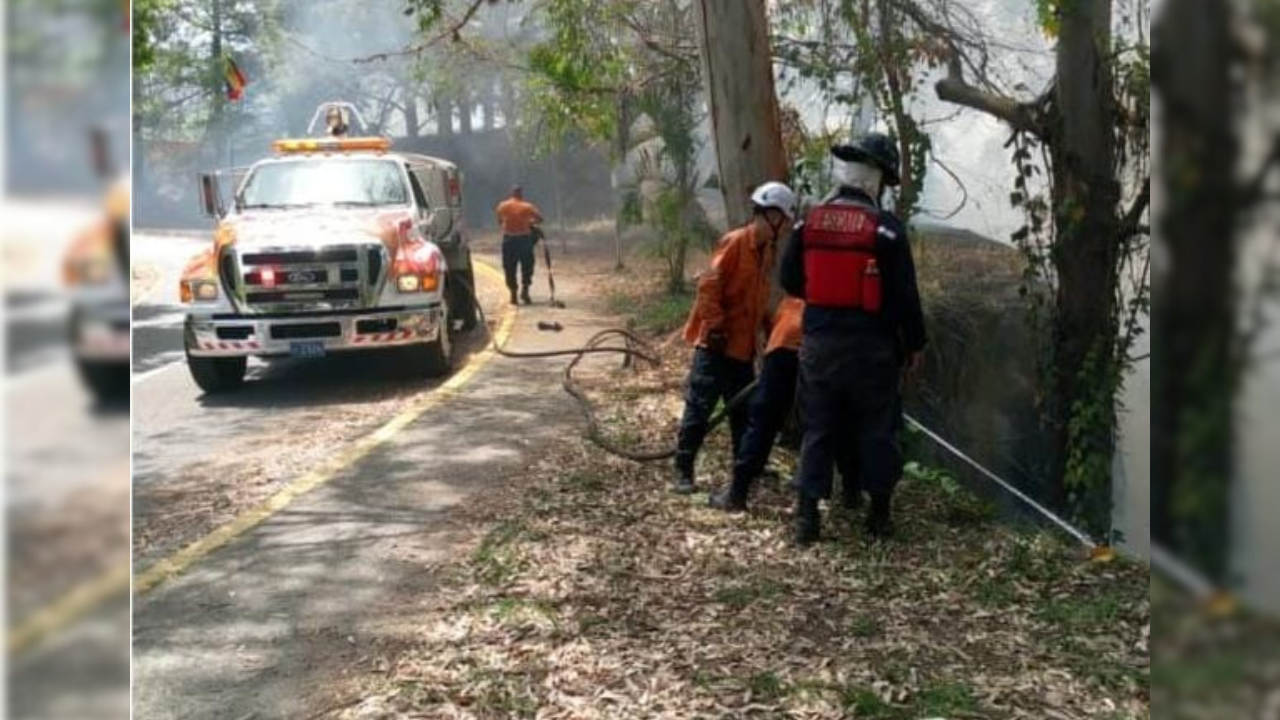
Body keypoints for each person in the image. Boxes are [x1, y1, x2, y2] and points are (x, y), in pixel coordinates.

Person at [780, 131, 927, 544]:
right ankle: (878, 516)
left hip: (819, 348)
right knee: (877, 428)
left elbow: (790, 281)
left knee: (819, 428)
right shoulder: (887, 231)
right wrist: (915, 345)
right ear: (877, 178)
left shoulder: (808, 222)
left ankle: (807, 518)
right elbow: (905, 297)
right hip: (872, 352)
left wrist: (826, 304)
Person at [673, 181, 798, 494]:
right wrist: (715, 327)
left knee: (744, 411)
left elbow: (759, 298)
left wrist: (773, 333)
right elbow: (708, 286)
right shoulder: (735, 242)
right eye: (783, 220)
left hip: (742, 349)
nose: (783, 230)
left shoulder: (765, 253)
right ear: (771, 215)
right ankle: (683, 470)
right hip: (715, 345)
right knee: (700, 408)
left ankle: (747, 465)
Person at [708, 294, 863, 512]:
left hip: (790, 335)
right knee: (838, 414)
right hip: (832, 339)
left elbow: (791, 277)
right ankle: (851, 491)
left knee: (764, 417)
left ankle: (737, 493)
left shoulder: (799, 272)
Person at [495, 185, 544, 305]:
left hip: (509, 240)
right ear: (521, 194)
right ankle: (525, 290)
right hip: (524, 240)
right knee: (527, 266)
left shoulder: (503, 206)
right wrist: (529, 222)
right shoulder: (527, 207)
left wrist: (509, 224)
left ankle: (513, 294)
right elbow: (540, 219)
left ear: (512, 194)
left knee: (509, 267)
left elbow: (500, 222)